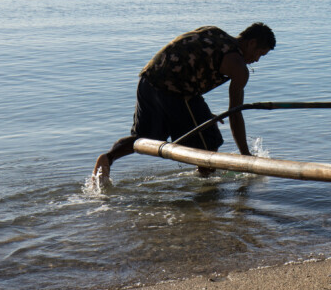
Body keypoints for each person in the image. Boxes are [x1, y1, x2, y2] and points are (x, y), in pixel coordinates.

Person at [91, 23, 275, 186]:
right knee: (209, 143)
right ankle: (207, 191)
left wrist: (200, 113)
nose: (257, 59)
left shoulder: (214, 32)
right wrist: (245, 155)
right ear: (251, 43)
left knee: (145, 138)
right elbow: (235, 113)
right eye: (259, 53)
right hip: (175, 92)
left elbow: (190, 62)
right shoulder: (238, 66)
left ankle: (108, 157)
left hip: (148, 80)